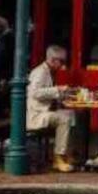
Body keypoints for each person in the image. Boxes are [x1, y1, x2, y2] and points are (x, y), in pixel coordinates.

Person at [27, 45, 77, 173]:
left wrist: (67, 93)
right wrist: (58, 90)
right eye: (61, 61)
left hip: (44, 111)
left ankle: (67, 153)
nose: (62, 65)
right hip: (36, 114)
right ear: (53, 60)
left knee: (71, 114)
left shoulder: (49, 72)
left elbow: (49, 93)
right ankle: (58, 157)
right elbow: (35, 93)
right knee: (63, 119)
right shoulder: (40, 72)